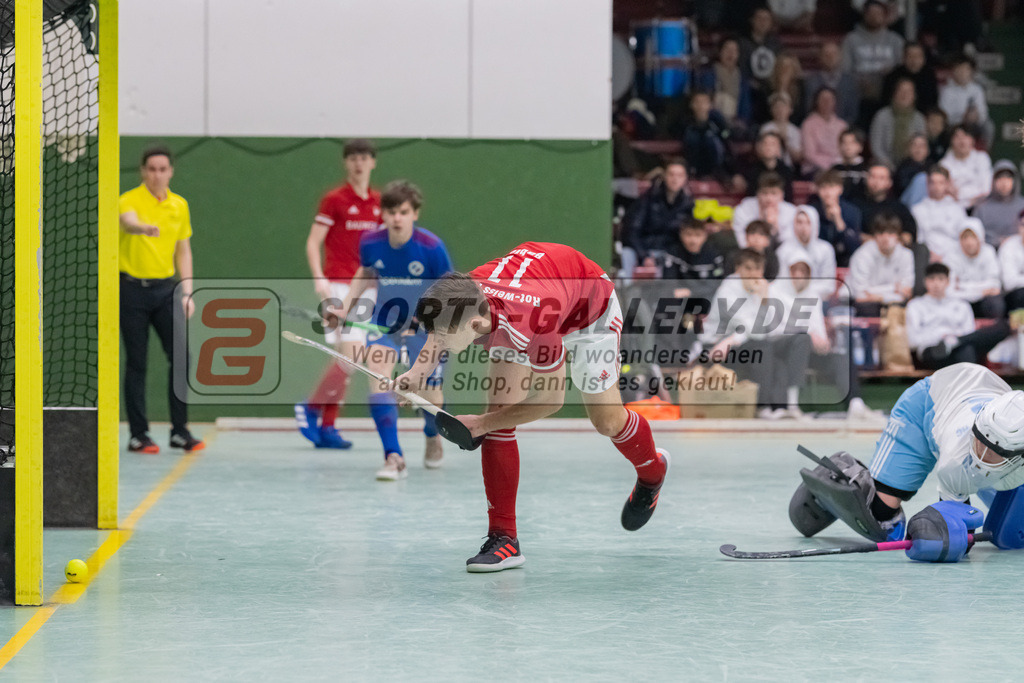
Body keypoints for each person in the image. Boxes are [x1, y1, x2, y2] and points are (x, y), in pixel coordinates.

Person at [395, 242, 671, 572]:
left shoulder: (531, 322)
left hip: (589, 312)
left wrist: (482, 424)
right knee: (499, 408)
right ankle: (504, 539)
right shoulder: (465, 292)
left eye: (443, 336)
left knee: (607, 422)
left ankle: (652, 473)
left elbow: (550, 400)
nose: (437, 340)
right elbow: (442, 327)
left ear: (473, 326)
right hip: (541, 292)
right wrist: (417, 372)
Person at [789, 363, 1024, 544]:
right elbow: (959, 528)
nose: (978, 453)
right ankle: (844, 477)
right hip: (926, 405)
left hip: (977, 395)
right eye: (979, 440)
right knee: (882, 517)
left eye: (991, 451)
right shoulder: (956, 461)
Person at [337, 181, 454, 480]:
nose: (397, 218)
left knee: (430, 396)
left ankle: (431, 434)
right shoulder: (371, 242)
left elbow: (450, 291)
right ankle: (393, 456)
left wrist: (428, 319)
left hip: (425, 328)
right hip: (384, 322)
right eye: (391, 212)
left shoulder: (431, 248)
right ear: (383, 214)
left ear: (415, 214)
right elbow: (365, 273)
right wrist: (344, 309)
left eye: (403, 212)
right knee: (378, 377)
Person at [118, 145, 204, 454]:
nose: (157, 174)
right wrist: (142, 227)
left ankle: (180, 431)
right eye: (151, 169)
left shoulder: (179, 206)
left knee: (182, 357)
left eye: (162, 169)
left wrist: (187, 290)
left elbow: (184, 249)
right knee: (137, 362)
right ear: (143, 171)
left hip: (166, 289)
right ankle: (138, 435)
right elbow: (127, 221)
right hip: (130, 290)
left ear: (171, 172)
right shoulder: (128, 200)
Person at [296, 138, 381, 449]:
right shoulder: (334, 200)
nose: (359, 163)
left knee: (347, 360)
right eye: (353, 158)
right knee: (350, 356)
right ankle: (310, 408)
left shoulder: (380, 203)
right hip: (339, 286)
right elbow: (312, 242)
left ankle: (327, 426)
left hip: (368, 290)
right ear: (346, 163)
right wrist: (319, 279)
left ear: (373, 162)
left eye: (364, 157)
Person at [700, 248, 811, 419]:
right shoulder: (727, 291)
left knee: (783, 356)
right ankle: (763, 408)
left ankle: (784, 406)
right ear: (739, 269)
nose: (754, 274)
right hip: (714, 347)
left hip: (734, 344)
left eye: (758, 269)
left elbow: (760, 330)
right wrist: (728, 341)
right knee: (763, 348)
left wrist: (731, 340)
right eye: (748, 268)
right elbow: (754, 331)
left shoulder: (759, 288)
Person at [774, 251, 874, 417]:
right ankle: (791, 406)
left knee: (841, 358)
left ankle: (856, 404)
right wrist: (807, 334)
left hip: (809, 352)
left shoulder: (813, 295)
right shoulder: (775, 291)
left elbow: (817, 327)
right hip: (783, 351)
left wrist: (823, 343)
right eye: (795, 271)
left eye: (803, 272)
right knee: (801, 340)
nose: (799, 275)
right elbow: (774, 330)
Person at [906, 263, 1010, 369]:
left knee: (1003, 327)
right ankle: (952, 344)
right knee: (964, 352)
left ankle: (954, 342)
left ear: (948, 282)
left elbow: (969, 332)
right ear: (925, 281)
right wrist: (940, 335)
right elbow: (912, 341)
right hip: (932, 350)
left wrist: (954, 338)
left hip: (960, 345)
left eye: (940, 279)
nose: (936, 284)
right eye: (932, 279)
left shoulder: (961, 304)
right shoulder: (915, 305)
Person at [620, 160, 695, 278]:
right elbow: (632, 231)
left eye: (679, 175)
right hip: (643, 248)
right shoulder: (648, 199)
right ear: (664, 176)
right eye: (671, 174)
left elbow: (686, 234)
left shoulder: (688, 204)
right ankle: (624, 292)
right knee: (626, 254)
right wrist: (644, 256)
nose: (675, 179)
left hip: (669, 253)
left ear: (685, 178)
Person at [841, 0, 905, 126]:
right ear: (865, 15)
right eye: (871, 13)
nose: (875, 17)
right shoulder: (851, 39)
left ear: (884, 16)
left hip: (888, 95)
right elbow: (845, 69)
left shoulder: (896, 40)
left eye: (878, 13)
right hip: (859, 96)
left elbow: (902, 69)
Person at [846, 211, 915, 316]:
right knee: (867, 307)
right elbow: (860, 296)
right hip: (864, 305)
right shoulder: (862, 255)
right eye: (881, 233)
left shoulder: (906, 255)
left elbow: (907, 292)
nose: (886, 238)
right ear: (875, 235)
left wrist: (878, 296)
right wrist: (894, 288)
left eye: (891, 233)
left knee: (908, 307)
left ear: (898, 236)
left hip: (893, 304)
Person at [681, 90, 744, 190]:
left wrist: (735, 172)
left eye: (704, 102)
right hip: (693, 164)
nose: (701, 105)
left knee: (710, 139)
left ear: (710, 105)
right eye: (697, 102)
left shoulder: (717, 121)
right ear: (691, 104)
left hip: (716, 163)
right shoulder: (684, 122)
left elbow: (726, 139)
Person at [946, 218, 1005, 320]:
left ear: (980, 237)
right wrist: (981, 292)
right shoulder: (950, 257)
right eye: (964, 238)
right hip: (962, 302)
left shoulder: (988, 251)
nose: (969, 242)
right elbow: (949, 292)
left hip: (981, 301)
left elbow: (995, 284)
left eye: (973, 237)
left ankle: (994, 330)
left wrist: (963, 286)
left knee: (995, 301)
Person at [776, 205, 836, 298]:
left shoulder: (825, 249)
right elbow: (781, 282)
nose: (804, 227)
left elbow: (829, 286)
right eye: (799, 222)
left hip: (818, 298)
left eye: (808, 222)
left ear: (815, 224)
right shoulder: (783, 250)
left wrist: (805, 290)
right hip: (789, 298)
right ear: (793, 224)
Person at [694, 37, 754, 130]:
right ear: (720, 52)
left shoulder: (742, 78)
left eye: (734, 50)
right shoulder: (709, 74)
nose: (730, 54)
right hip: (713, 121)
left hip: (735, 123)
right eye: (727, 49)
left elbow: (745, 106)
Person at [910, 164, 967, 261]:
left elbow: (962, 237)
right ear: (927, 184)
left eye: (941, 183)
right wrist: (931, 256)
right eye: (933, 183)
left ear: (947, 184)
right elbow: (919, 239)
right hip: (927, 257)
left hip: (954, 257)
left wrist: (948, 257)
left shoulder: (958, 209)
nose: (936, 187)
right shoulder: (917, 210)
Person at [807, 168, 863, 268]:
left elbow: (854, 246)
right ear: (818, 190)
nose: (828, 193)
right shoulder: (811, 210)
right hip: (817, 259)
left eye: (832, 187)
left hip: (844, 259)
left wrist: (839, 221)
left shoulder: (852, 211)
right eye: (823, 188)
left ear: (840, 189)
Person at [663, 217, 727, 300]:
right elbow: (669, 283)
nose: (693, 240)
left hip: (707, 299)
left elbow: (717, 283)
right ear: (681, 234)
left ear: (705, 236)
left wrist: (691, 291)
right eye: (688, 234)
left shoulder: (714, 254)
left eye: (698, 235)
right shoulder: (673, 253)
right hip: (681, 299)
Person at [869, 77, 926, 169]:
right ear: (894, 93)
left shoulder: (919, 119)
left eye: (908, 91)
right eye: (901, 90)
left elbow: (921, 147)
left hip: (911, 166)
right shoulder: (882, 115)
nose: (904, 95)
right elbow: (876, 146)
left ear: (914, 96)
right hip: (884, 165)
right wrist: (889, 165)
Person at [856, 162, 918, 243]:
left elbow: (909, 235)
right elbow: (853, 234)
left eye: (881, 178)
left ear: (889, 183)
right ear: (866, 179)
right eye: (872, 177)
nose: (876, 182)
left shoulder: (899, 208)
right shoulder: (856, 206)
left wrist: (891, 244)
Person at [732, 172, 797, 247]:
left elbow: (789, 243)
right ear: (758, 194)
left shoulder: (791, 211)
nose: (769, 199)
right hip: (750, 251)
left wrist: (774, 226)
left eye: (774, 193)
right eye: (765, 193)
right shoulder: (744, 209)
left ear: (782, 195)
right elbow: (741, 239)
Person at [803, 41, 859, 125]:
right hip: (817, 129)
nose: (830, 57)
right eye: (826, 54)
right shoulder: (811, 82)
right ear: (820, 58)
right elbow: (808, 109)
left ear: (840, 57)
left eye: (834, 54)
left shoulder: (850, 82)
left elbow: (853, 112)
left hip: (844, 129)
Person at [938, 55, 991, 142]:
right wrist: (962, 117)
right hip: (954, 126)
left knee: (989, 126)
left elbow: (983, 113)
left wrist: (977, 117)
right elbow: (944, 116)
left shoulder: (977, 90)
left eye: (965, 69)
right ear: (953, 71)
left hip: (973, 125)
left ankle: (983, 152)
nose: (962, 72)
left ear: (971, 71)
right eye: (959, 69)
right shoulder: (946, 91)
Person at [973, 161, 1024, 249]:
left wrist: (1011, 241)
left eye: (1008, 177)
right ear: (993, 181)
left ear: (1015, 181)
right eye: (1000, 178)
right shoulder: (982, 208)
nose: (1004, 182)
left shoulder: (1022, 205)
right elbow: (973, 236)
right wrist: (996, 241)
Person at [940, 125, 993, 211]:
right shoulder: (944, 164)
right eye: (957, 137)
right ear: (951, 141)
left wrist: (964, 196)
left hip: (980, 206)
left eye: (965, 136)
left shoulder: (982, 158)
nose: (962, 141)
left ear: (972, 140)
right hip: (952, 208)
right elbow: (947, 192)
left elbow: (986, 189)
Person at [739, 6, 783, 102]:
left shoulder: (775, 44)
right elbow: (741, 68)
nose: (763, 22)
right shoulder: (742, 43)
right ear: (752, 20)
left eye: (766, 19)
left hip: (771, 88)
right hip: (748, 89)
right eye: (759, 18)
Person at [800, 87, 848, 177]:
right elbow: (809, 154)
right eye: (823, 99)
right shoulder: (808, 124)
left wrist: (836, 164)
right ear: (816, 102)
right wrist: (828, 166)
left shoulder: (842, 125)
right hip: (814, 169)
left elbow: (844, 150)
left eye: (830, 99)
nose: (827, 102)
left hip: (838, 167)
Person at [881, 42, 939, 114]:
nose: (914, 60)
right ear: (903, 58)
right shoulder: (892, 77)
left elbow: (932, 103)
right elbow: (885, 103)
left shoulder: (930, 76)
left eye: (917, 56)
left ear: (924, 59)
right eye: (910, 56)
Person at [741, 132, 795, 202]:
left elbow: (788, 198)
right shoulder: (752, 170)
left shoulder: (786, 171)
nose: (768, 147)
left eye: (772, 144)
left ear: (778, 148)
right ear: (760, 147)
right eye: (765, 144)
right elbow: (751, 197)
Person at [760, 92, 803, 169]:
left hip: (788, 168)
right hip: (769, 167)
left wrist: (785, 142)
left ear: (790, 110)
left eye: (783, 107)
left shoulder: (795, 131)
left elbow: (797, 158)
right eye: (776, 107)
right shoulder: (766, 128)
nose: (780, 110)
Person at [830, 128, 869, 201]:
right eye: (844, 143)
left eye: (852, 143)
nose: (848, 147)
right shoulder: (834, 169)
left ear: (860, 146)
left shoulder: (867, 168)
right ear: (839, 146)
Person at [893, 133, 930, 203]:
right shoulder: (903, 167)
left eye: (922, 146)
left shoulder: (931, 165)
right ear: (909, 148)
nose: (918, 149)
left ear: (927, 150)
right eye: (914, 145)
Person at [999, 213, 1024, 312]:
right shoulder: (1008, 246)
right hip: (1014, 295)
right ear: (1018, 226)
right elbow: (1009, 282)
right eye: (1023, 225)